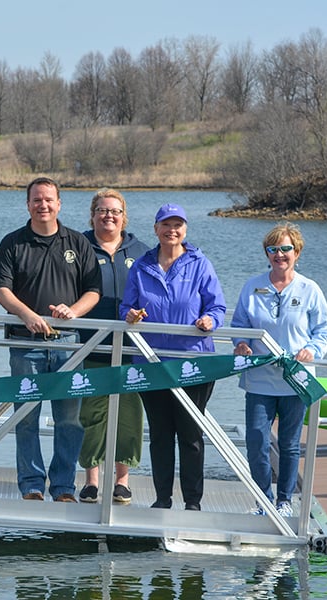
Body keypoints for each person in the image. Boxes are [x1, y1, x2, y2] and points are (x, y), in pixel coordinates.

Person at [0, 177, 101, 502]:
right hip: (25, 344)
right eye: (37, 200)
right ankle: (32, 485)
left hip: (67, 343)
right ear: (28, 205)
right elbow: (1, 289)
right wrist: (27, 315)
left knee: (69, 419)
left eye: (49, 200)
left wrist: (73, 311)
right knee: (26, 417)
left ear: (59, 204)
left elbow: (93, 290)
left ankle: (64, 487)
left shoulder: (78, 243)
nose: (43, 205)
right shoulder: (13, 243)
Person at [121, 203, 226, 511]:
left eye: (178, 224)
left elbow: (216, 307)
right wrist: (130, 314)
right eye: (166, 225)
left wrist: (210, 321)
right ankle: (162, 499)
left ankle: (193, 502)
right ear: (156, 229)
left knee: (191, 436)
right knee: (161, 435)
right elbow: (125, 307)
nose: (172, 230)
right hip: (152, 365)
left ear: (185, 230)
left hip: (193, 364)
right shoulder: (141, 266)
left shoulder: (199, 263)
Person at [231, 222, 327, 518]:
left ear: (297, 252)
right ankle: (263, 500)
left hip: (295, 380)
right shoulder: (253, 286)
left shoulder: (309, 289)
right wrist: (240, 344)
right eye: (273, 249)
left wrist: (312, 350)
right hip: (259, 380)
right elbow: (239, 325)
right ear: (267, 254)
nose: (280, 254)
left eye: (286, 248)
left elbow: (325, 327)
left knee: (289, 444)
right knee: (256, 441)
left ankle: (284, 500)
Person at [77, 189, 150, 505]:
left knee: (129, 416)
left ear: (124, 216)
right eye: (102, 210)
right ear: (92, 214)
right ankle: (91, 481)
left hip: (133, 350)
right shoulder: (79, 246)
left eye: (115, 211)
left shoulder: (142, 251)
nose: (109, 216)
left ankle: (122, 480)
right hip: (91, 347)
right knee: (93, 415)